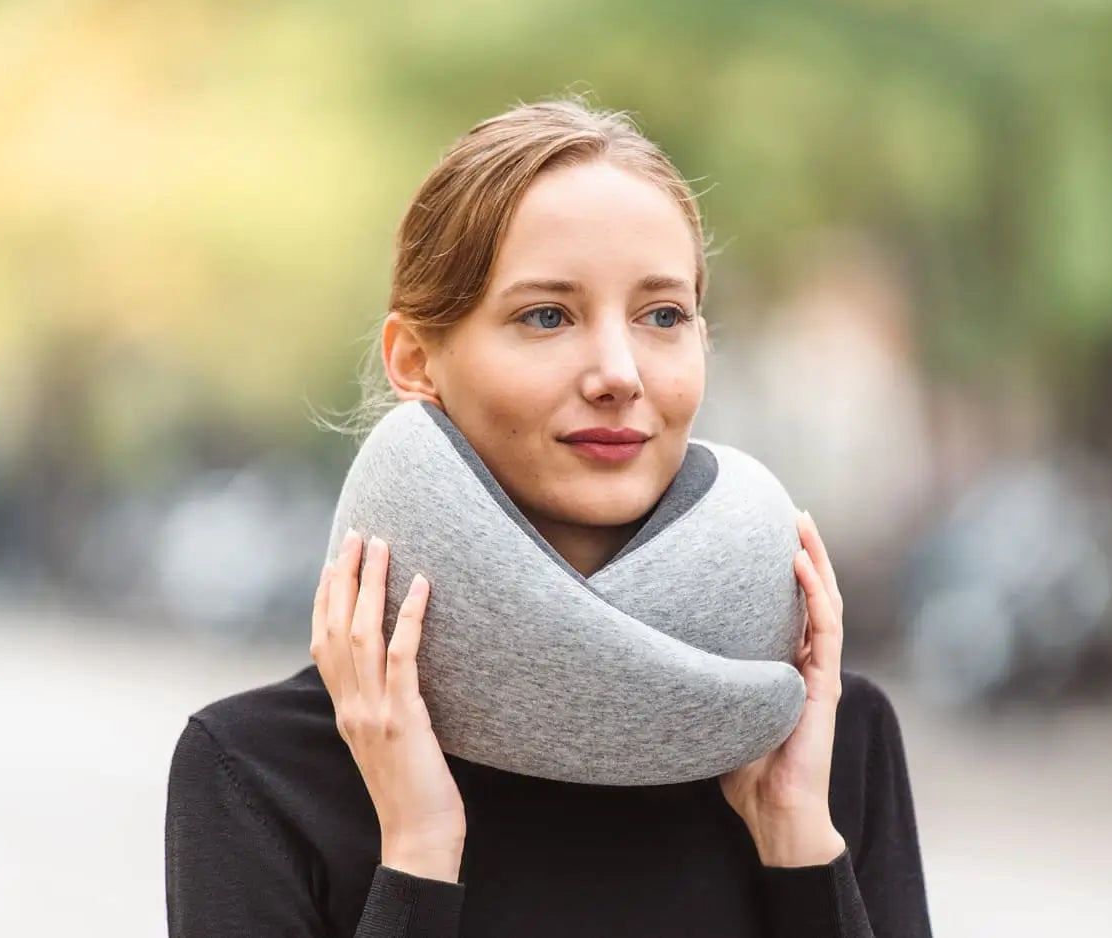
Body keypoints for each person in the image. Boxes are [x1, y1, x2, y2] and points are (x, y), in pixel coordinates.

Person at [164, 98, 932, 938]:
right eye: (547, 316)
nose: (617, 372)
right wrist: (419, 852)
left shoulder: (826, 740)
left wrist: (795, 841)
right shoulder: (257, 771)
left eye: (662, 316)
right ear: (415, 361)